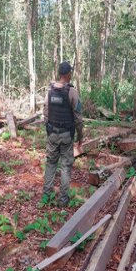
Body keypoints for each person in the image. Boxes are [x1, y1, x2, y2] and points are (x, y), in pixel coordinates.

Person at [43, 61, 84, 205]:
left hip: (52, 134)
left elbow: (46, 113)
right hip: (67, 136)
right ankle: (63, 199)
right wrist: (80, 136)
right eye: (70, 73)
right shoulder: (72, 92)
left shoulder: (50, 91)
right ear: (68, 75)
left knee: (51, 164)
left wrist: (49, 130)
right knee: (66, 167)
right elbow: (78, 118)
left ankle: (46, 196)